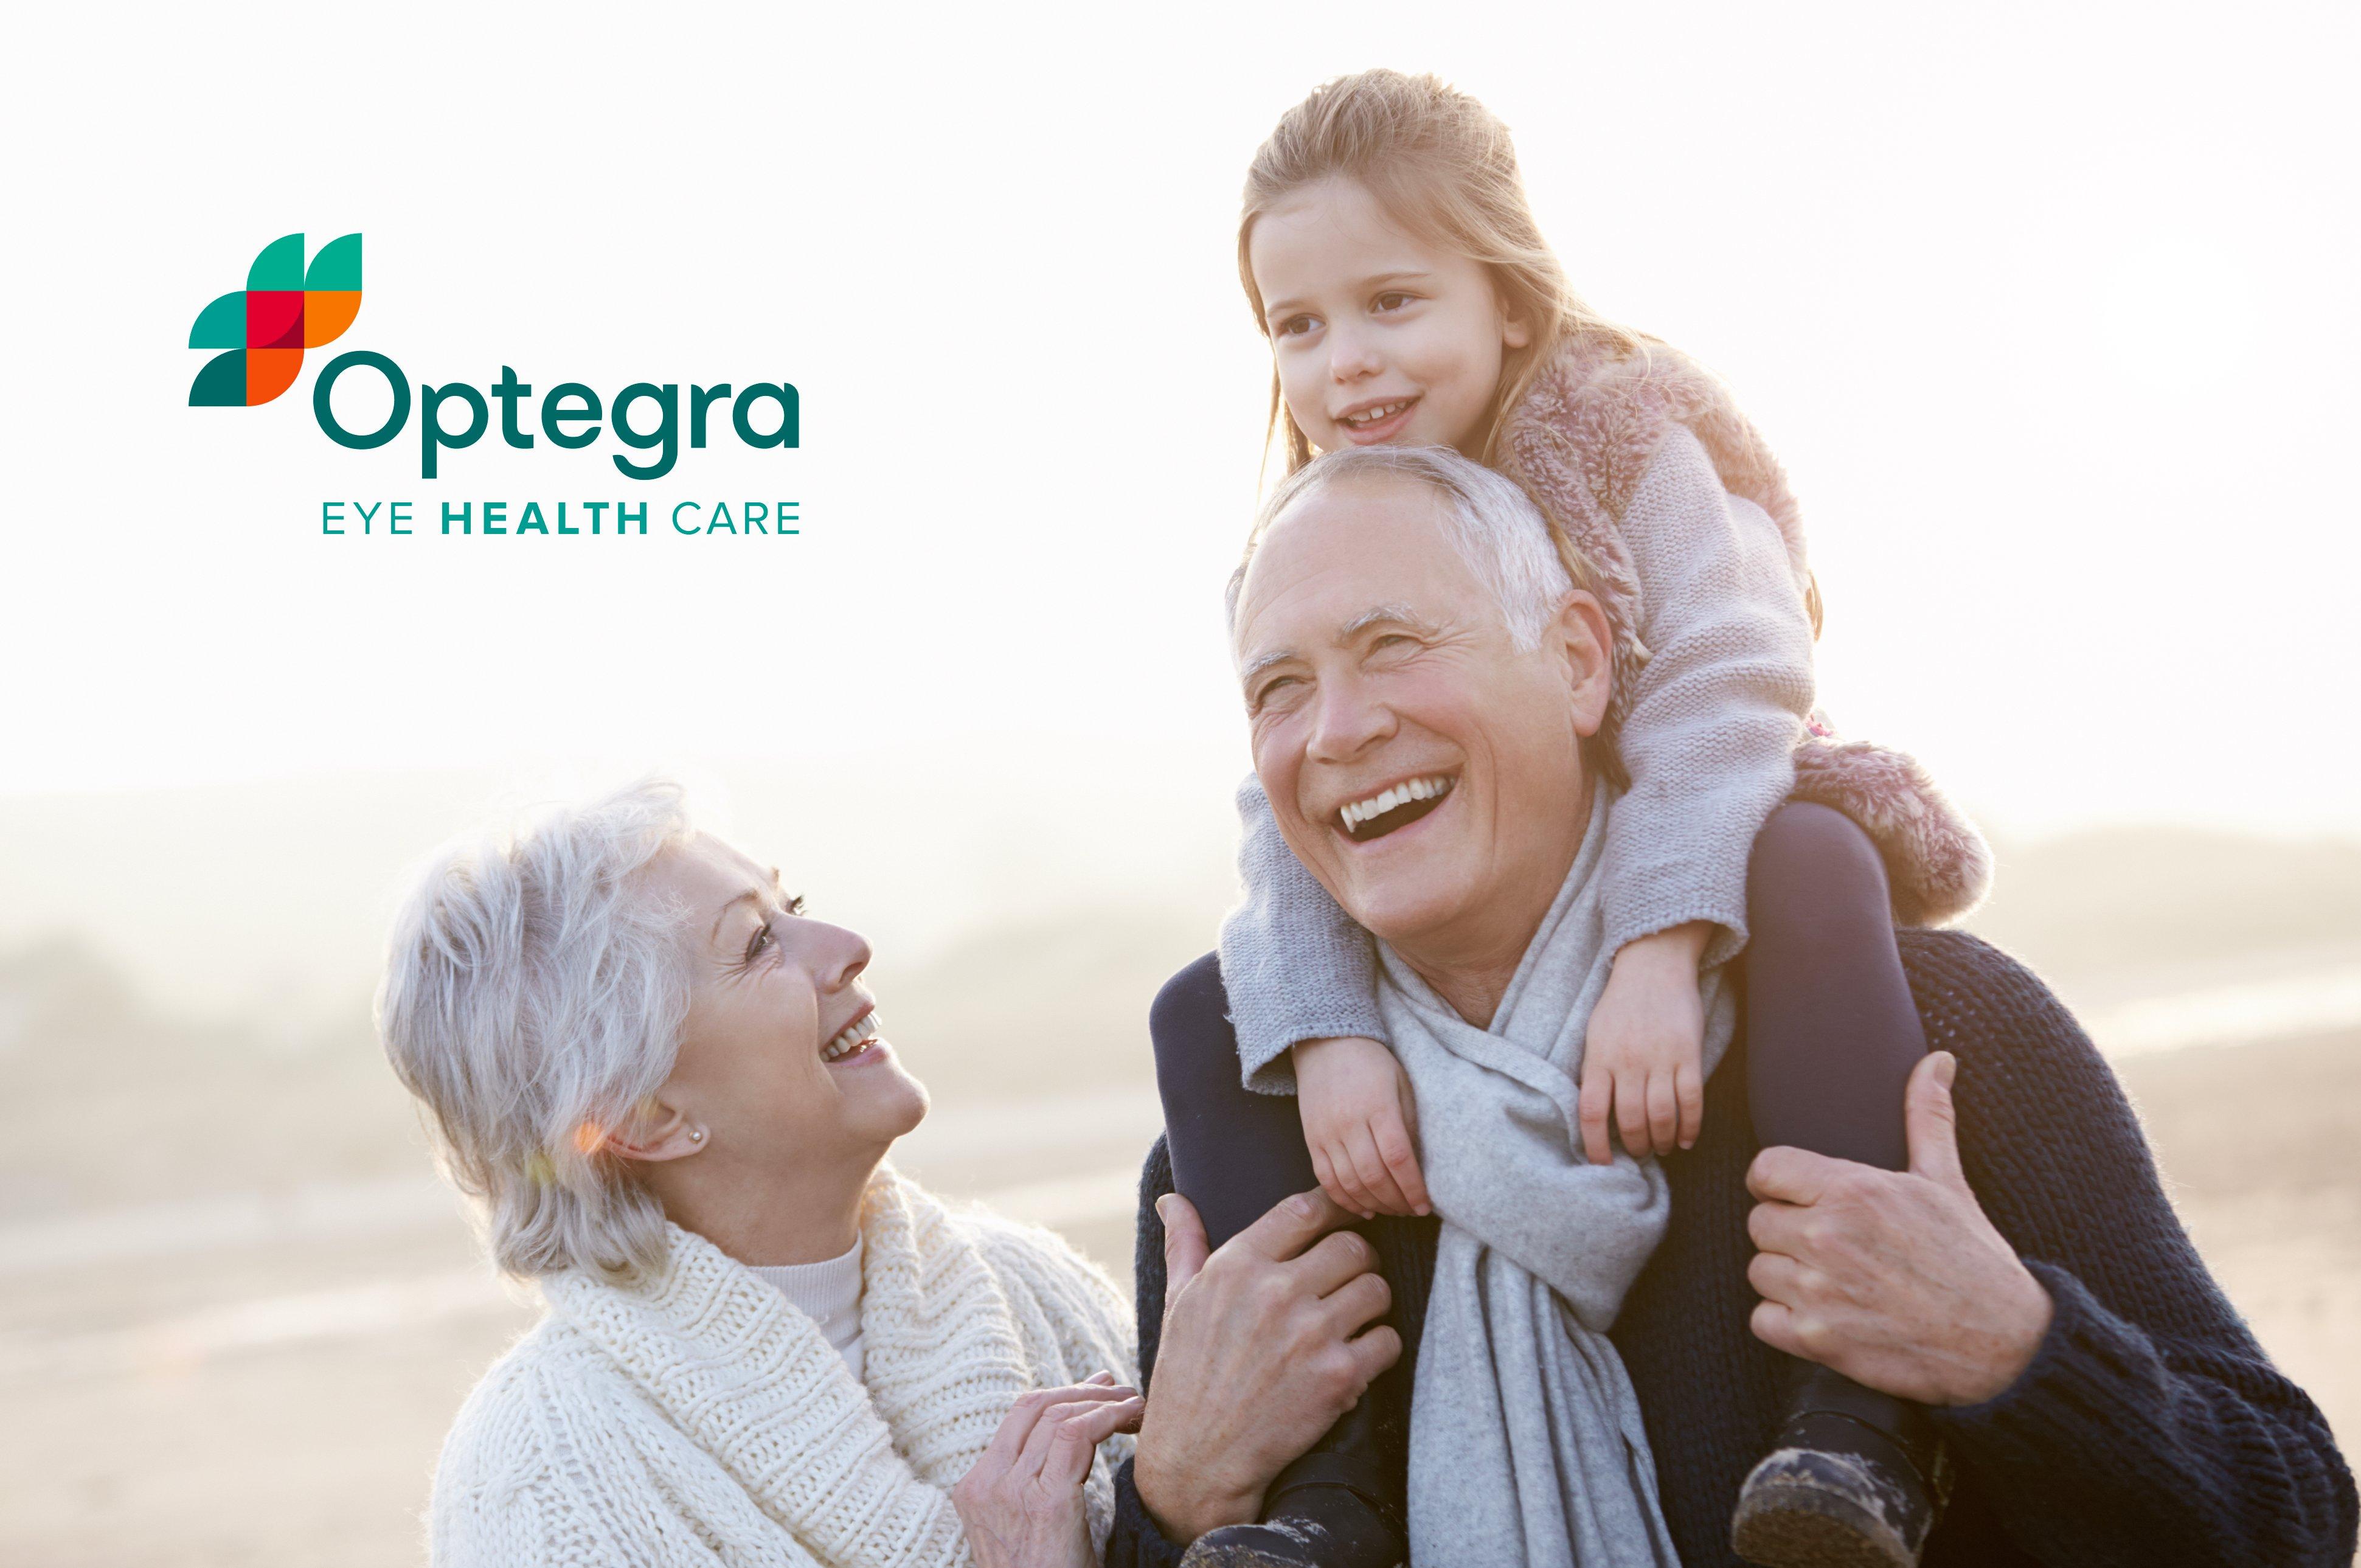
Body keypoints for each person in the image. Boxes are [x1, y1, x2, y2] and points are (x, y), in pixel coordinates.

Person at [1113, 449, 2356, 1567]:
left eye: (1394, 645)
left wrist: (2014, 1351)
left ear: (1581, 660)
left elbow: (2295, 1515)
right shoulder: (1244, 1162)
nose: (1338, 728)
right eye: (1278, 687)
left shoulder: (1928, 1032)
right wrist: (1168, 1500)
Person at [1155, 69, 1986, 1567]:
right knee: (1208, 1012)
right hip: (1476, 933)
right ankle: (1324, 1495)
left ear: (1511, 300)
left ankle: (1862, 1415)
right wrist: (1331, 1029)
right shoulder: (1310, 530)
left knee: (1811, 853)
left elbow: (1733, 676)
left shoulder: (1622, 428)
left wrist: (1661, 945)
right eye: (1297, 324)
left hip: (1707, 823)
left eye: (1393, 302)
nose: (1345, 362)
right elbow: (1285, 807)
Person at [376, 780, 1395, 1568]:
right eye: (757, 943)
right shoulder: (542, 1475)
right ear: (642, 1115)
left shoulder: (1022, 1285)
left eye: (798, 904)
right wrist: (1180, 1491)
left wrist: (1175, 1507)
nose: (847, 947)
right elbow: (1177, 1512)